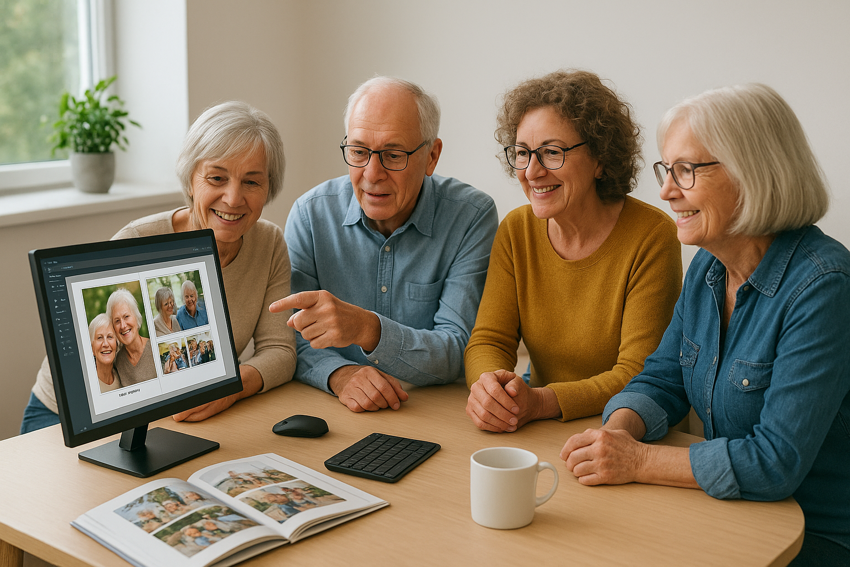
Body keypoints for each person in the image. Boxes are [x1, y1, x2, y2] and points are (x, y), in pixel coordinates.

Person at [560, 84, 850, 566]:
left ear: (752, 171)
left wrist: (639, 461)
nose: (667, 190)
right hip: (732, 515)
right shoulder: (708, 267)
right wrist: (617, 433)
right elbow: (662, 378)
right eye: (666, 169)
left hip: (814, 534)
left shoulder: (824, 286)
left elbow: (774, 463)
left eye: (686, 170)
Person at [21, 100, 297, 432]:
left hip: (173, 419)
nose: (234, 198)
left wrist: (232, 389)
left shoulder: (269, 244)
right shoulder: (137, 239)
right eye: (216, 177)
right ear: (191, 180)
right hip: (69, 415)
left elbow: (280, 349)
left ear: (269, 188)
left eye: (251, 182)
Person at [465, 70, 682, 433]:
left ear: (600, 159)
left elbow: (638, 373)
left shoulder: (652, 235)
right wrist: (490, 388)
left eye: (551, 152)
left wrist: (541, 401)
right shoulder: (516, 230)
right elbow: (490, 339)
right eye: (522, 153)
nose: (531, 171)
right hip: (540, 426)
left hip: (625, 432)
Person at [270, 76, 498, 413]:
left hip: (434, 411)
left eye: (393, 155)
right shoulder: (310, 214)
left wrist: (366, 328)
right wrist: (341, 374)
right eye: (359, 152)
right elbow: (291, 339)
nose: (372, 174)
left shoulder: (471, 217)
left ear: (432, 156)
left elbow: (458, 348)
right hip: (332, 408)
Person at [108, 288, 158, 386]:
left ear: (136, 316)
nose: (123, 325)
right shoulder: (116, 361)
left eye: (126, 316)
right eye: (117, 321)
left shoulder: (155, 347)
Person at [88, 313, 122, 393]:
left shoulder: (122, 376)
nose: (105, 344)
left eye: (110, 337)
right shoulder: (88, 384)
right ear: (92, 348)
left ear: (116, 344)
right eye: (99, 338)